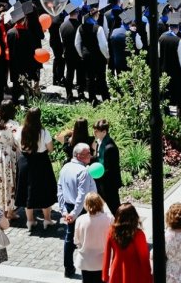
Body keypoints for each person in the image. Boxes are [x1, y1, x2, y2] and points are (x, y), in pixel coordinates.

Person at [58, 143, 98, 277]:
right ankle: (89, 268)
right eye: (88, 154)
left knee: (69, 238)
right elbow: (82, 197)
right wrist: (74, 214)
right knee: (87, 239)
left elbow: (60, 190)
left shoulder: (65, 167)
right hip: (81, 209)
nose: (91, 156)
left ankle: (68, 268)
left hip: (69, 208)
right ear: (79, 155)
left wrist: (64, 211)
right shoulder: (83, 172)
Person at [17, 106, 56, 230]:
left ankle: (30, 221)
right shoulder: (44, 132)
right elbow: (50, 149)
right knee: (44, 190)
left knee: (27, 191)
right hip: (41, 162)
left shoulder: (20, 130)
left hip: (25, 161)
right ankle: (47, 219)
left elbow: (18, 146)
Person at [103, 203, 152, 283]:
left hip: (117, 269)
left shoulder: (111, 231)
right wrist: (148, 277)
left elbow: (107, 253)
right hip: (134, 271)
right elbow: (144, 259)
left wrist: (105, 274)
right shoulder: (138, 234)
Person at [73, 192, 113, 283]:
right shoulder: (109, 218)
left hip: (85, 260)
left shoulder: (80, 219)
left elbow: (76, 240)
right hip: (103, 261)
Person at [93, 118, 121, 212]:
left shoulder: (110, 147)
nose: (94, 132)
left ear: (104, 131)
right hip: (102, 181)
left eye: (97, 131)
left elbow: (109, 169)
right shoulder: (100, 143)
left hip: (109, 183)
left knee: (113, 206)